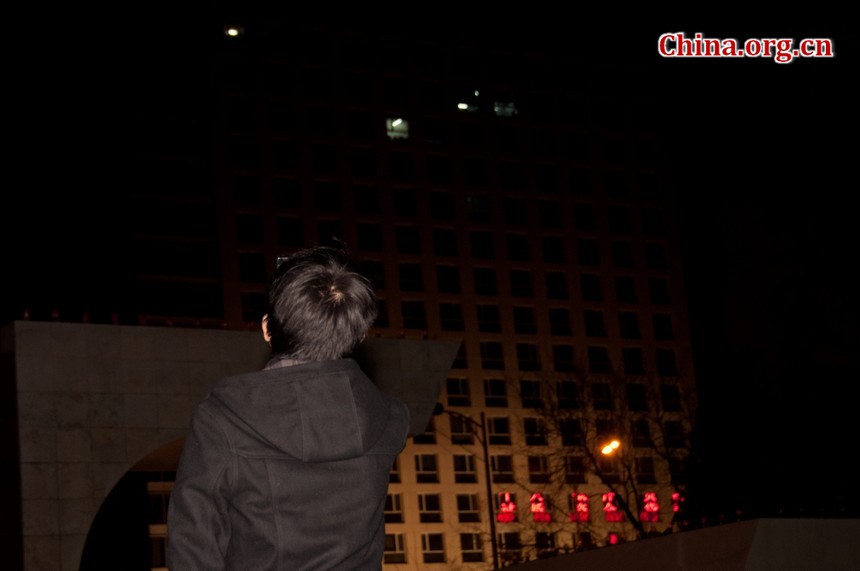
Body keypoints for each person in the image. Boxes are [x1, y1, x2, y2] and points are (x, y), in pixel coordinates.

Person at [167, 245, 410, 570]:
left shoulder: (221, 420)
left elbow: (192, 549)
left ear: (267, 328)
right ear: (360, 336)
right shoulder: (390, 420)